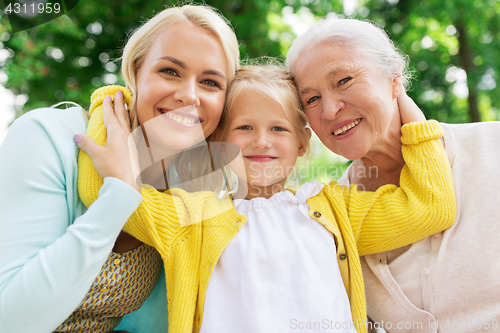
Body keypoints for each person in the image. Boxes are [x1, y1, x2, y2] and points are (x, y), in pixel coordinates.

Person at [76, 63, 457, 333]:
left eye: (278, 128)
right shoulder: (189, 217)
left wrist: (413, 119)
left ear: (303, 143)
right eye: (245, 128)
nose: (262, 141)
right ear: (217, 143)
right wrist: (111, 101)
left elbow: (431, 208)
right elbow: (101, 191)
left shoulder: (336, 208)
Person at [0, 4, 239, 333]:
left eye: (211, 82)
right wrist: (120, 192)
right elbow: (11, 321)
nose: (188, 94)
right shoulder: (49, 137)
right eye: (170, 71)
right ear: (137, 71)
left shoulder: (192, 199)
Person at [287, 17, 500, 333]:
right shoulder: (332, 213)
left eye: (344, 80)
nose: (329, 110)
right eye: (312, 99)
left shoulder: (492, 147)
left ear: (394, 79)